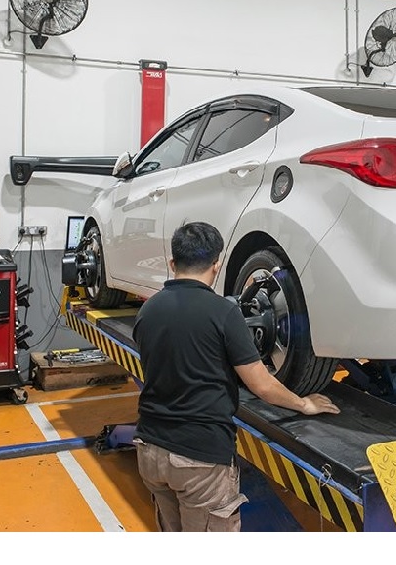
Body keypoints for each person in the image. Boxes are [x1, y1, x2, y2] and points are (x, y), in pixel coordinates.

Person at [132, 221, 340, 532]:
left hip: (150, 450)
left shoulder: (148, 311)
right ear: (216, 265)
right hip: (198, 458)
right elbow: (262, 385)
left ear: (172, 263)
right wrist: (304, 404)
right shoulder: (223, 313)